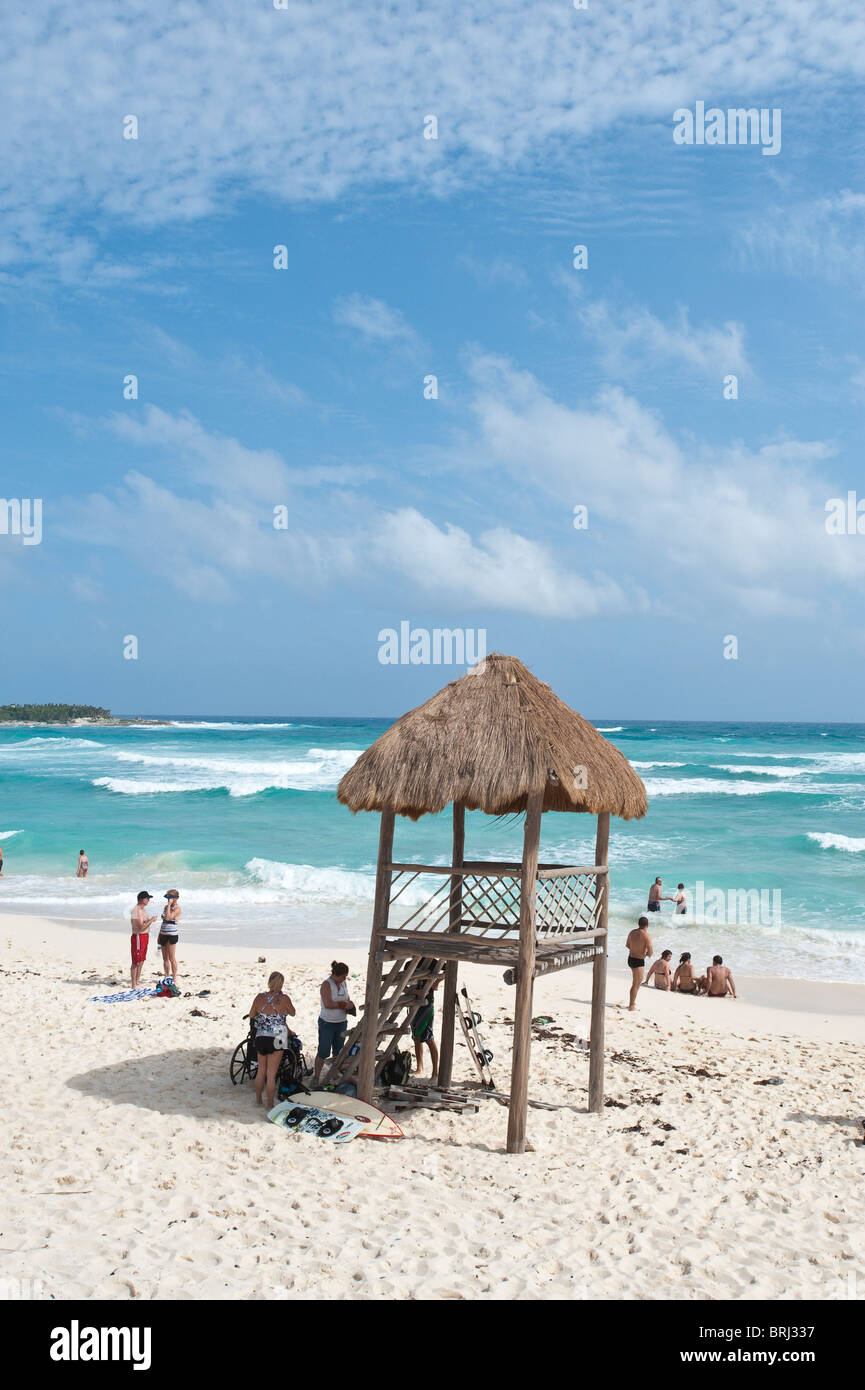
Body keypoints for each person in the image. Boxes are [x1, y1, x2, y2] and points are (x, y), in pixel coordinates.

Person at [248, 971, 297, 1109]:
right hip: (277, 1038)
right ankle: (270, 1104)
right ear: (281, 984)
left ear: (269, 982)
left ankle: (258, 1100)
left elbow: (252, 1014)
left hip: (261, 1036)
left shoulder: (259, 997)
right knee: (271, 1074)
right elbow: (293, 1012)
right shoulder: (285, 998)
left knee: (261, 1070)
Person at [315, 961, 355, 1080]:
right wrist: (343, 1005)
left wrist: (349, 1004)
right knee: (323, 1051)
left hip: (341, 1022)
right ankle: (316, 1076)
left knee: (338, 1051)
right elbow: (327, 1004)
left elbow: (347, 998)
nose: (344, 979)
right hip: (327, 1023)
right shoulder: (326, 984)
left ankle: (334, 1073)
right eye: (343, 976)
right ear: (337, 975)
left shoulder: (343, 984)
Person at [411, 959, 440, 1083]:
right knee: (416, 1036)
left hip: (427, 1004)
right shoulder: (410, 963)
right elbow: (405, 983)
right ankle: (419, 1066)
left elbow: (446, 969)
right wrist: (413, 991)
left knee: (429, 1037)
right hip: (413, 1003)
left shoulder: (432, 962)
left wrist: (436, 982)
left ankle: (435, 1072)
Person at [625, 916, 653, 1010]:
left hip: (630, 958)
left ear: (638, 924)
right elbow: (650, 952)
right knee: (636, 984)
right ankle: (631, 1005)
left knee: (635, 983)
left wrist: (635, 949)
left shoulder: (632, 932)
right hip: (639, 961)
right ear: (647, 925)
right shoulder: (647, 936)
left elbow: (627, 945)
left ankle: (633, 1001)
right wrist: (644, 954)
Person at [130, 890, 156, 988]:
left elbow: (145, 923)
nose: (148, 900)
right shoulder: (136, 910)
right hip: (138, 936)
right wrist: (151, 920)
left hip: (144, 936)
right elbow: (141, 926)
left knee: (141, 960)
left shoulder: (143, 909)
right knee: (136, 961)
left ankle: (137, 980)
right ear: (142, 899)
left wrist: (150, 920)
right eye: (147, 898)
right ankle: (133, 984)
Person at [157, 889, 182, 983]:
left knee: (172, 958)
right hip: (163, 933)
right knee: (165, 958)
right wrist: (159, 934)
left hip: (172, 934)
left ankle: (174, 977)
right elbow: (164, 920)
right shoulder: (165, 907)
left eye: (171, 897)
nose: (169, 899)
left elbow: (168, 917)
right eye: (168, 897)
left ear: (176, 898)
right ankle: (166, 975)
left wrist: (168, 906)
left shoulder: (177, 908)